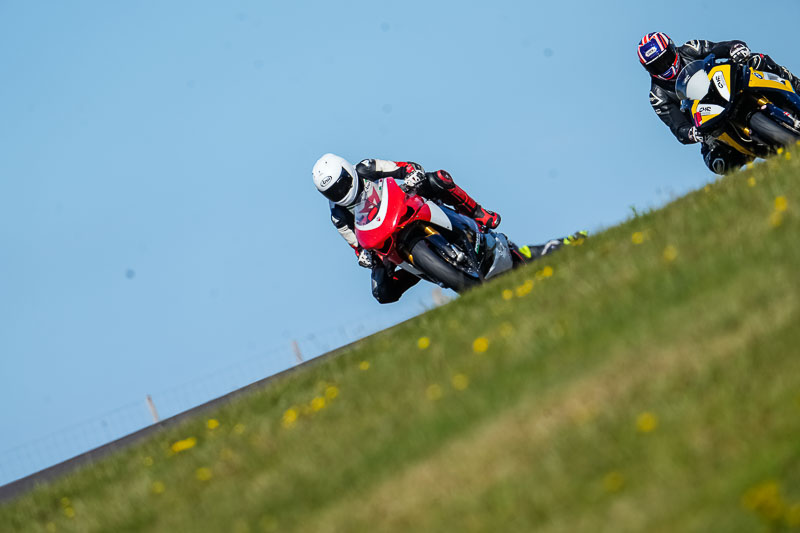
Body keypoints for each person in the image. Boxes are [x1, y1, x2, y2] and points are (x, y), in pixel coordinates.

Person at [312, 153, 501, 303]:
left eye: (342, 185)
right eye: (333, 192)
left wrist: (412, 174)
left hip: (403, 204)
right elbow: (356, 245)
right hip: (383, 238)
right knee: (382, 292)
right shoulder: (338, 214)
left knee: (438, 178)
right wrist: (364, 256)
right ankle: (426, 269)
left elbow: (403, 167)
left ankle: (478, 213)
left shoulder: (366, 168)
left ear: (347, 171)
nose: (340, 192)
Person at [638, 32, 800, 174]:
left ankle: (795, 86)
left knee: (758, 60)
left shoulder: (691, 48)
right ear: (648, 70)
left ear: (673, 49)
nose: (665, 66)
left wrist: (735, 48)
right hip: (708, 121)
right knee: (717, 162)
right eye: (656, 66)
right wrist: (691, 133)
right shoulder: (658, 96)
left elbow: (720, 47)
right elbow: (677, 126)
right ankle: (748, 153)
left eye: (666, 59)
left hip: (726, 84)